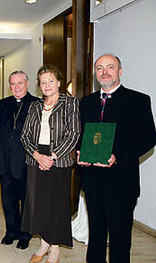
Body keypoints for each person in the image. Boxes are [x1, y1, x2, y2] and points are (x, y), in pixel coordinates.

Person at [77, 54, 156, 263]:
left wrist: (117, 156)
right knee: (96, 234)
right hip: (93, 180)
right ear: (95, 73)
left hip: (122, 181)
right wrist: (79, 153)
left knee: (120, 238)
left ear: (119, 71)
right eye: (100, 68)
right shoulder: (86, 102)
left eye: (110, 67)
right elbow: (81, 135)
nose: (104, 72)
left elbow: (149, 138)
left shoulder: (138, 100)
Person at [20, 64, 80, 263]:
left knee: (56, 206)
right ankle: (43, 244)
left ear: (59, 82)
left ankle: (54, 249)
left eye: (50, 81)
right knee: (39, 205)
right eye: (43, 82)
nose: (46, 85)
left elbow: (73, 135)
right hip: (36, 159)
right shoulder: (35, 106)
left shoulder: (70, 104)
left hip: (59, 160)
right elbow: (25, 136)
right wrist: (38, 156)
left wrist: (52, 157)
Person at [0, 70, 38, 250]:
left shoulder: (37, 104)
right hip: (4, 160)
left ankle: (25, 234)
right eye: (13, 84)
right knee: (8, 200)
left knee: (26, 200)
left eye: (20, 83)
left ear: (27, 84)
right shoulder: (2, 104)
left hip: (26, 161)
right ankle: (11, 231)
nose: (17, 87)